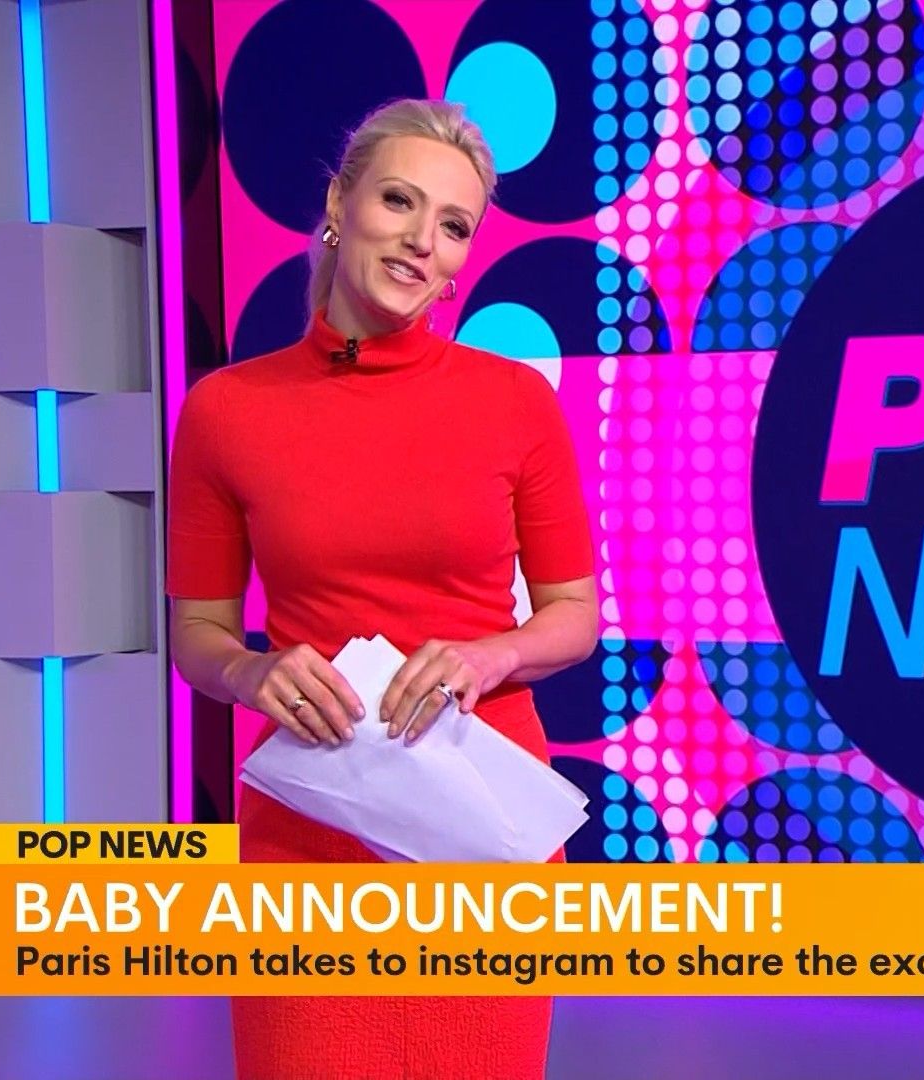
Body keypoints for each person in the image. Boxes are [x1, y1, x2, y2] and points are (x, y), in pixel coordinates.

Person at [167, 98, 597, 1080]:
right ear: (339, 203)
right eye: (400, 202)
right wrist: (252, 673)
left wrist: (488, 656)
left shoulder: (516, 402)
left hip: (482, 815)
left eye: (454, 225)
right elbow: (198, 634)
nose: (422, 240)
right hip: (313, 817)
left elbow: (574, 617)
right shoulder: (226, 409)